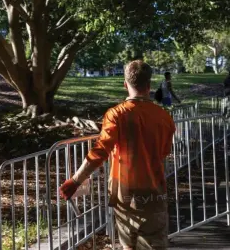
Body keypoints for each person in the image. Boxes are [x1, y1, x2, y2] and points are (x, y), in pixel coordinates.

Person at [59, 60, 176, 249]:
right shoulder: (164, 117)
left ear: (125, 84)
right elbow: (164, 152)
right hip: (155, 196)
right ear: (149, 85)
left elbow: (100, 151)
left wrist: (75, 181)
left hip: (125, 197)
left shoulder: (116, 114)